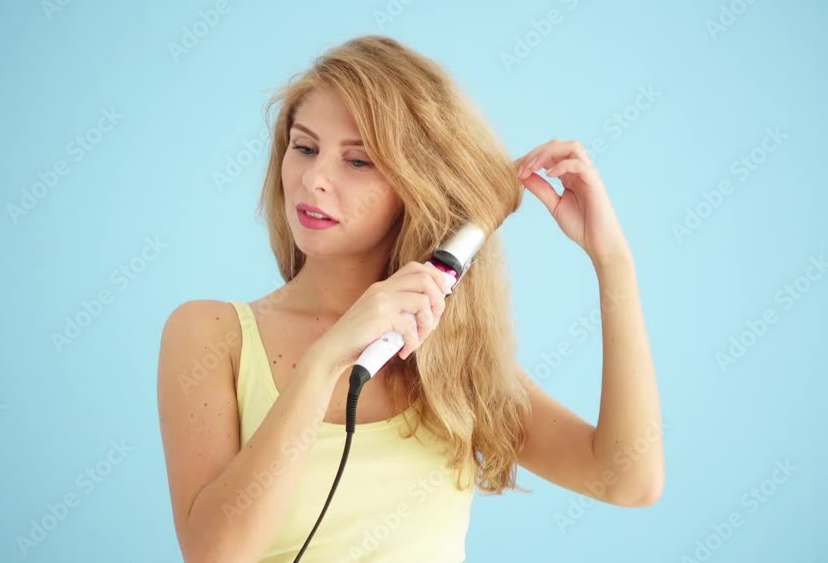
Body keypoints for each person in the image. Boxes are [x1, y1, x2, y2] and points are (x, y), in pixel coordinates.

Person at [157, 35, 664, 563]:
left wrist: (613, 261)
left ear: (416, 184)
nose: (314, 179)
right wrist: (323, 363)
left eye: (358, 161)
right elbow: (215, 555)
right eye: (304, 148)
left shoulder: (457, 361)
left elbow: (628, 480)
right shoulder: (211, 336)